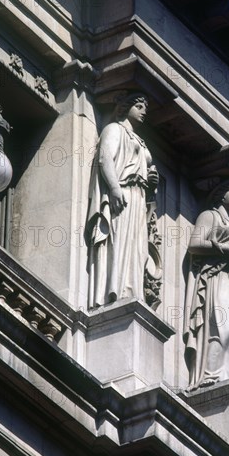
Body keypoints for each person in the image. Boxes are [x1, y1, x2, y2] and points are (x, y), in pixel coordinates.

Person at [86, 92, 159, 308]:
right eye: (139, 105)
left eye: (145, 106)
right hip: (124, 193)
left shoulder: (139, 140)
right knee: (119, 241)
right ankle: (114, 290)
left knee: (138, 248)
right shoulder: (114, 129)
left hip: (140, 196)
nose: (144, 110)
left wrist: (151, 182)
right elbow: (104, 158)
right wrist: (115, 188)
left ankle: (131, 291)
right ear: (125, 107)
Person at [183, 180, 229, 390]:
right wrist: (225, 248)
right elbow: (194, 245)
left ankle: (228, 378)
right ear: (221, 194)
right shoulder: (210, 216)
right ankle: (210, 376)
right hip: (217, 275)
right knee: (223, 328)